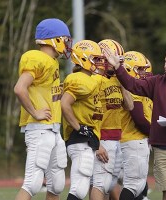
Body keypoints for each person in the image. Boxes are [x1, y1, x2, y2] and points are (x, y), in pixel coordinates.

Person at [104, 48, 166, 200]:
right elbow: (133, 85)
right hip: (161, 146)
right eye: (165, 62)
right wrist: (118, 68)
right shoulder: (157, 81)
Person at [14, 18, 71, 200]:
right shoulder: (36, 58)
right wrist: (35, 112)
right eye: (65, 39)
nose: (67, 44)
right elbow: (19, 88)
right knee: (32, 183)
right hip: (39, 129)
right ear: (54, 39)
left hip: (53, 129)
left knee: (56, 185)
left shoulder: (51, 61)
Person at [90, 39, 134, 200]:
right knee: (99, 183)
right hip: (102, 136)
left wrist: (122, 78)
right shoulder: (94, 80)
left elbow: (130, 106)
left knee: (109, 184)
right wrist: (96, 142)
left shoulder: (117, 78)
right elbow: (86, 115)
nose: (116, 63)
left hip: (116, 138)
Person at [61, 40, 104, 200]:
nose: (99, 62)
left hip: (86, 138)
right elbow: (65, 104)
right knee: (79, 188)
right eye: (96, 58)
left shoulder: (89, 78)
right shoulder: (79, 79)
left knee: (82, 187)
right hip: (79, 138)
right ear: (83, 58)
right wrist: (79, 127)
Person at [119, 51, 153, 200]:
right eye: (140, 69)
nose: (144, 73)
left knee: (137, 185)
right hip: (133, 139)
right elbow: (140, 120)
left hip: (129, 140)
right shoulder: (132, 90)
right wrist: (158, 133)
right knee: (134, 185)